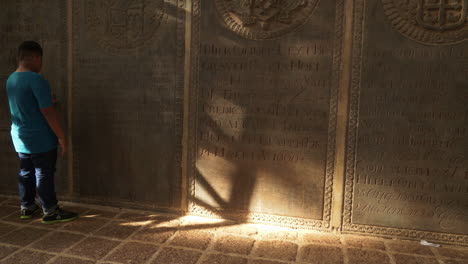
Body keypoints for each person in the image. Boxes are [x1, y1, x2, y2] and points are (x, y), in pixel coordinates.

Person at [6, 41, 77, 224]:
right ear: (36, 58)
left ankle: (27, 206)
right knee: (43, 173)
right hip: (41, 137)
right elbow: (47, 112)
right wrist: (61, 136)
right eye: (41, 60)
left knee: (26, 171)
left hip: (20, 137)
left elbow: (26, 103)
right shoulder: (37, 79)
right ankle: (51, 211)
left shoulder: (11, 79)